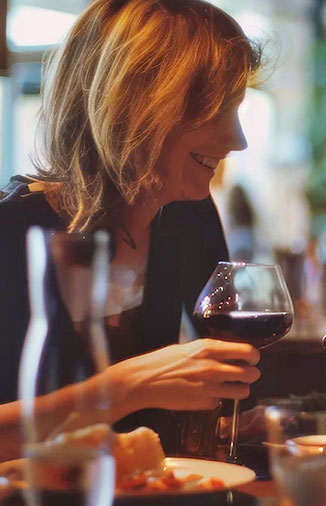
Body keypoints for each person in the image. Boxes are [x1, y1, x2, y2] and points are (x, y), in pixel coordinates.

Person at [0, 0, 264, 461]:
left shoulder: (190, 216)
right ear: (137, 106)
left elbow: (223, 407)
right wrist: (121, 390)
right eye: (219, 107)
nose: (238, 139)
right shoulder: (9, 232)